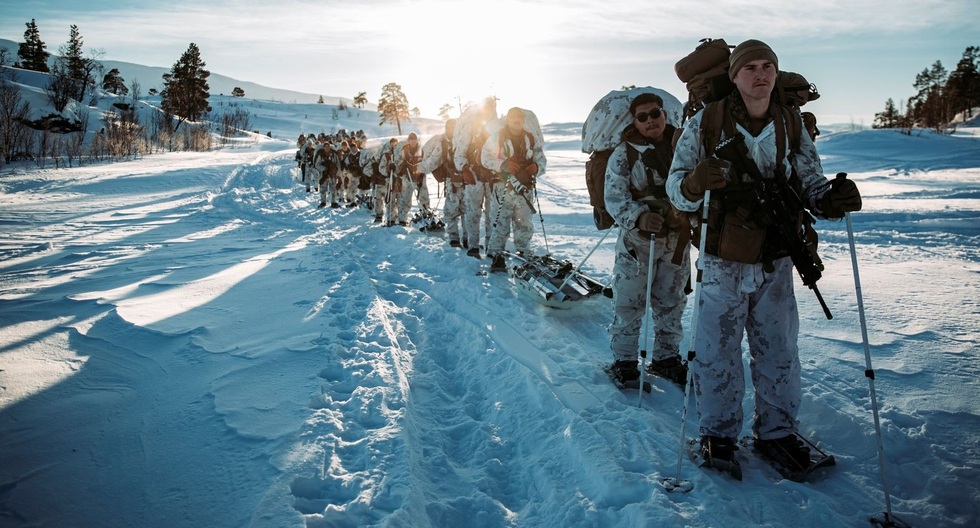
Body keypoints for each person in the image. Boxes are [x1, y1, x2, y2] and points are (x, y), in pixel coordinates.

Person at [666, 39, 863, 473]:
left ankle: (777, 433)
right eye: (750, 67)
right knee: (716, 350)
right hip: (722, 258)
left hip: (775, 257)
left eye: (767, 66)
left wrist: (832, 198)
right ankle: (718, 433)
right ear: (734, 76)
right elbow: (676, 190)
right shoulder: (705, 122)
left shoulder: (790, 124)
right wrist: (695, 182)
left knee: (778, 349)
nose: (761, 75)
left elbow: (810, 182)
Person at [604, 92, 691, 389]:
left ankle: (666, 359)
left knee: (672, 302)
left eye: (655, 113)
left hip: (676, 241)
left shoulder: (684, 146)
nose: (650, 120)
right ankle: (625, 362)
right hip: (638, 243)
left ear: (664, 114)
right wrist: (639, 217)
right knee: (630, 301)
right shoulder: (624, 153)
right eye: (642, 117)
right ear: (635, 122)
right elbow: (614, 196)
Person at [481, 107, 547, 270]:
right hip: (502, 188)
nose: (517, 119)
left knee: (524, 225)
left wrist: (537, 167)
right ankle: (496, 255)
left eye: (520, 117)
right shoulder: (497, 137)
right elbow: (485, 158)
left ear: (523, 120)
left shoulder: (531, 138)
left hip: (524, 189)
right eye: (513, 117)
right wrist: (503, 165)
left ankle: (523, 255)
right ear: (508, 119)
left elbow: (542, 160)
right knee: (500, 223)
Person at [455, 97, 499, 258]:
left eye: (492, 106)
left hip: (493, 176)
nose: (490, 109)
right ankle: (473, 246)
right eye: (488, 106)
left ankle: (492, 247)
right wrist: (464, 169)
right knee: (473, 212)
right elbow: (459, 152)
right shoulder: (470, 128)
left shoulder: (499, 127)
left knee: (493, 214)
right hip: (474, 176)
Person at [420, 119, 467, 246]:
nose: (451, 129)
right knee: (451, 210)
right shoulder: (443, 144)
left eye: (453, 127)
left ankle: (467, 238)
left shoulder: (465, 140)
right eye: (449, 127)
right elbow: (433, 160)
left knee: (467, 210)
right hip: (452, 182)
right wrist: (420, 168)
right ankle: (454, 237)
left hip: (468, 181)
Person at [393, 132, 428, 226]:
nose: (413, 141)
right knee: (405, 199)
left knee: (424, 197)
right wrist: (399, 167)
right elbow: (398, 161)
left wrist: (422, 173)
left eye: (415, 139)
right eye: (411, 139)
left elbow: (426, 162)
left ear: (417, 140)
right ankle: (402, 219)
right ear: (408, 140)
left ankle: (426, 216)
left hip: (420, 177)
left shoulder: (421, 149)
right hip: (407, 177)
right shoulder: (404, 150)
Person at [313, 140, 341, 208]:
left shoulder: (334, 154)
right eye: (326, 146)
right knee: (323, 189)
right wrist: (324, 168)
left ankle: (333, 202)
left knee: (333, 189)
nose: (327, 148)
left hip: (332, 175)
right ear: (323, 147)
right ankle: (323, 202)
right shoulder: (320, 155)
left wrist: (336, 171)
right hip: (324, 174)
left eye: (328, 146)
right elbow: (317, 164)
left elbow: (338, 163)